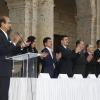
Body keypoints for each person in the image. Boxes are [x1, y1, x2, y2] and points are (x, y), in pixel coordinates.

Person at [0, 16, 23, 100]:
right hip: (2, 68)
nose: (10, 24)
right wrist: (14, 42)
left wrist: (20, 47)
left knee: (4, 92)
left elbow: (10, 52)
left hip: (6, 68)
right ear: (2, 23)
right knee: (2, 93)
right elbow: (2, 50)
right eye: (9, 22)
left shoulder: (6, 35)